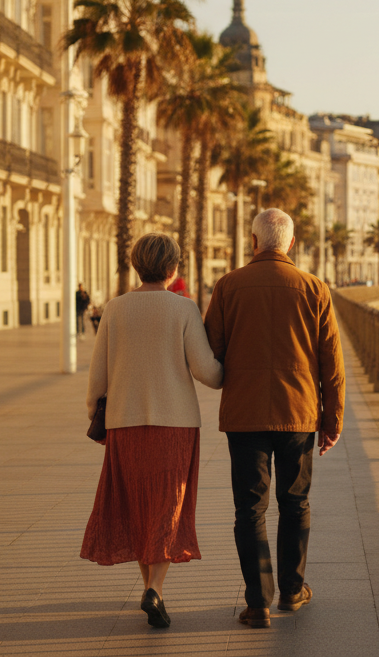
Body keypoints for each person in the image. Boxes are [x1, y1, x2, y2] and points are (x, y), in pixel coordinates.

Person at [204, 208, 345, 629]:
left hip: (244, 413)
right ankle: (291, 590)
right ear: (291, 244)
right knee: (295, 502)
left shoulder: (228, 286)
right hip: (299, 413)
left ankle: (257, 602)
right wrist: (332, 419)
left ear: (253, 242)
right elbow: (331, 363)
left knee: (250, 508)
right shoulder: (314, 288)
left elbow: (213, 348)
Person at [80, 233, 223, 629]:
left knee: (139, 504)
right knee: (166, 506)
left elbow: (97, 376)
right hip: (175, 425)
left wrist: (96, 415)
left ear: (135, 265)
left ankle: (151, 588)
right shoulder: (184, 309)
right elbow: (206, 372)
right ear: (173, 268)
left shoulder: (114, 309)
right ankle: (155, 590)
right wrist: (230, 370)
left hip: (124, 423)